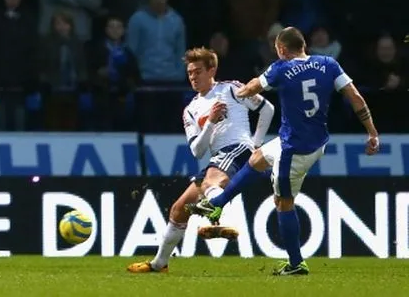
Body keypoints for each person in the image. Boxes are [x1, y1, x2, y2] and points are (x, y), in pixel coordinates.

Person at [188, 27, 381, 276]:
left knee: (283, 203)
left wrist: (231, 92)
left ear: (281, 49)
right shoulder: (329, 64)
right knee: (257, 158)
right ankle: (217, 203)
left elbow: (251, 89)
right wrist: (372, 132)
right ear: (304, 46)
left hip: (294, 150)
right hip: (314, 140)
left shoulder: (281, 67)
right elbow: (355, 98)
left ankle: (296, 263)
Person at [126, 47, 273, 274]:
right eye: (190, 73)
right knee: (179, 209)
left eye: (198, 71)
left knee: (209, 183)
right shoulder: (191, 110)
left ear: (211, 69)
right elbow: (197, 150)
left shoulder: (232, 89)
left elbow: (267, 109)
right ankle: (159, 264)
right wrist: (211, 122)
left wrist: (256, 144)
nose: (193, 77)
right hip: (217, 157)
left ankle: (221, 215)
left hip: (239, 149)